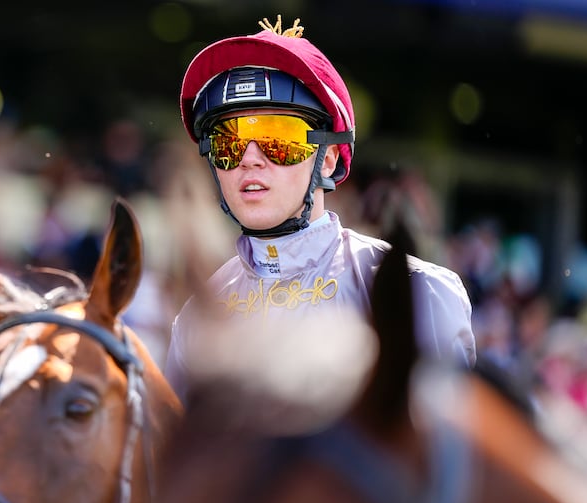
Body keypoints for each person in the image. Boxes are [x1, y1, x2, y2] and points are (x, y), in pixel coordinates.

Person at [164, 15, 476, 407]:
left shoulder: (420, 292)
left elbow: (446, 458)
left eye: (278, 140)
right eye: (229, 142)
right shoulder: (196, 316)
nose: (250, 161)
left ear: (327, 160)